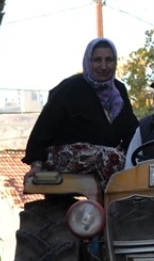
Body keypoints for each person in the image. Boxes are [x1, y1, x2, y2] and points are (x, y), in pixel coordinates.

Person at [23, 37, 140, 180]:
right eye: (97, 60)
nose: (103, 66)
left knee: (135, 162)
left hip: (107, 157)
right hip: (66, 156)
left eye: (109, 60)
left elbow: (131, 129)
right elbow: (45, 125)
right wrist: (36, 163)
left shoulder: (119, 91)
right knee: (112, 158)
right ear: (88, 61)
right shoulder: (71, 87)